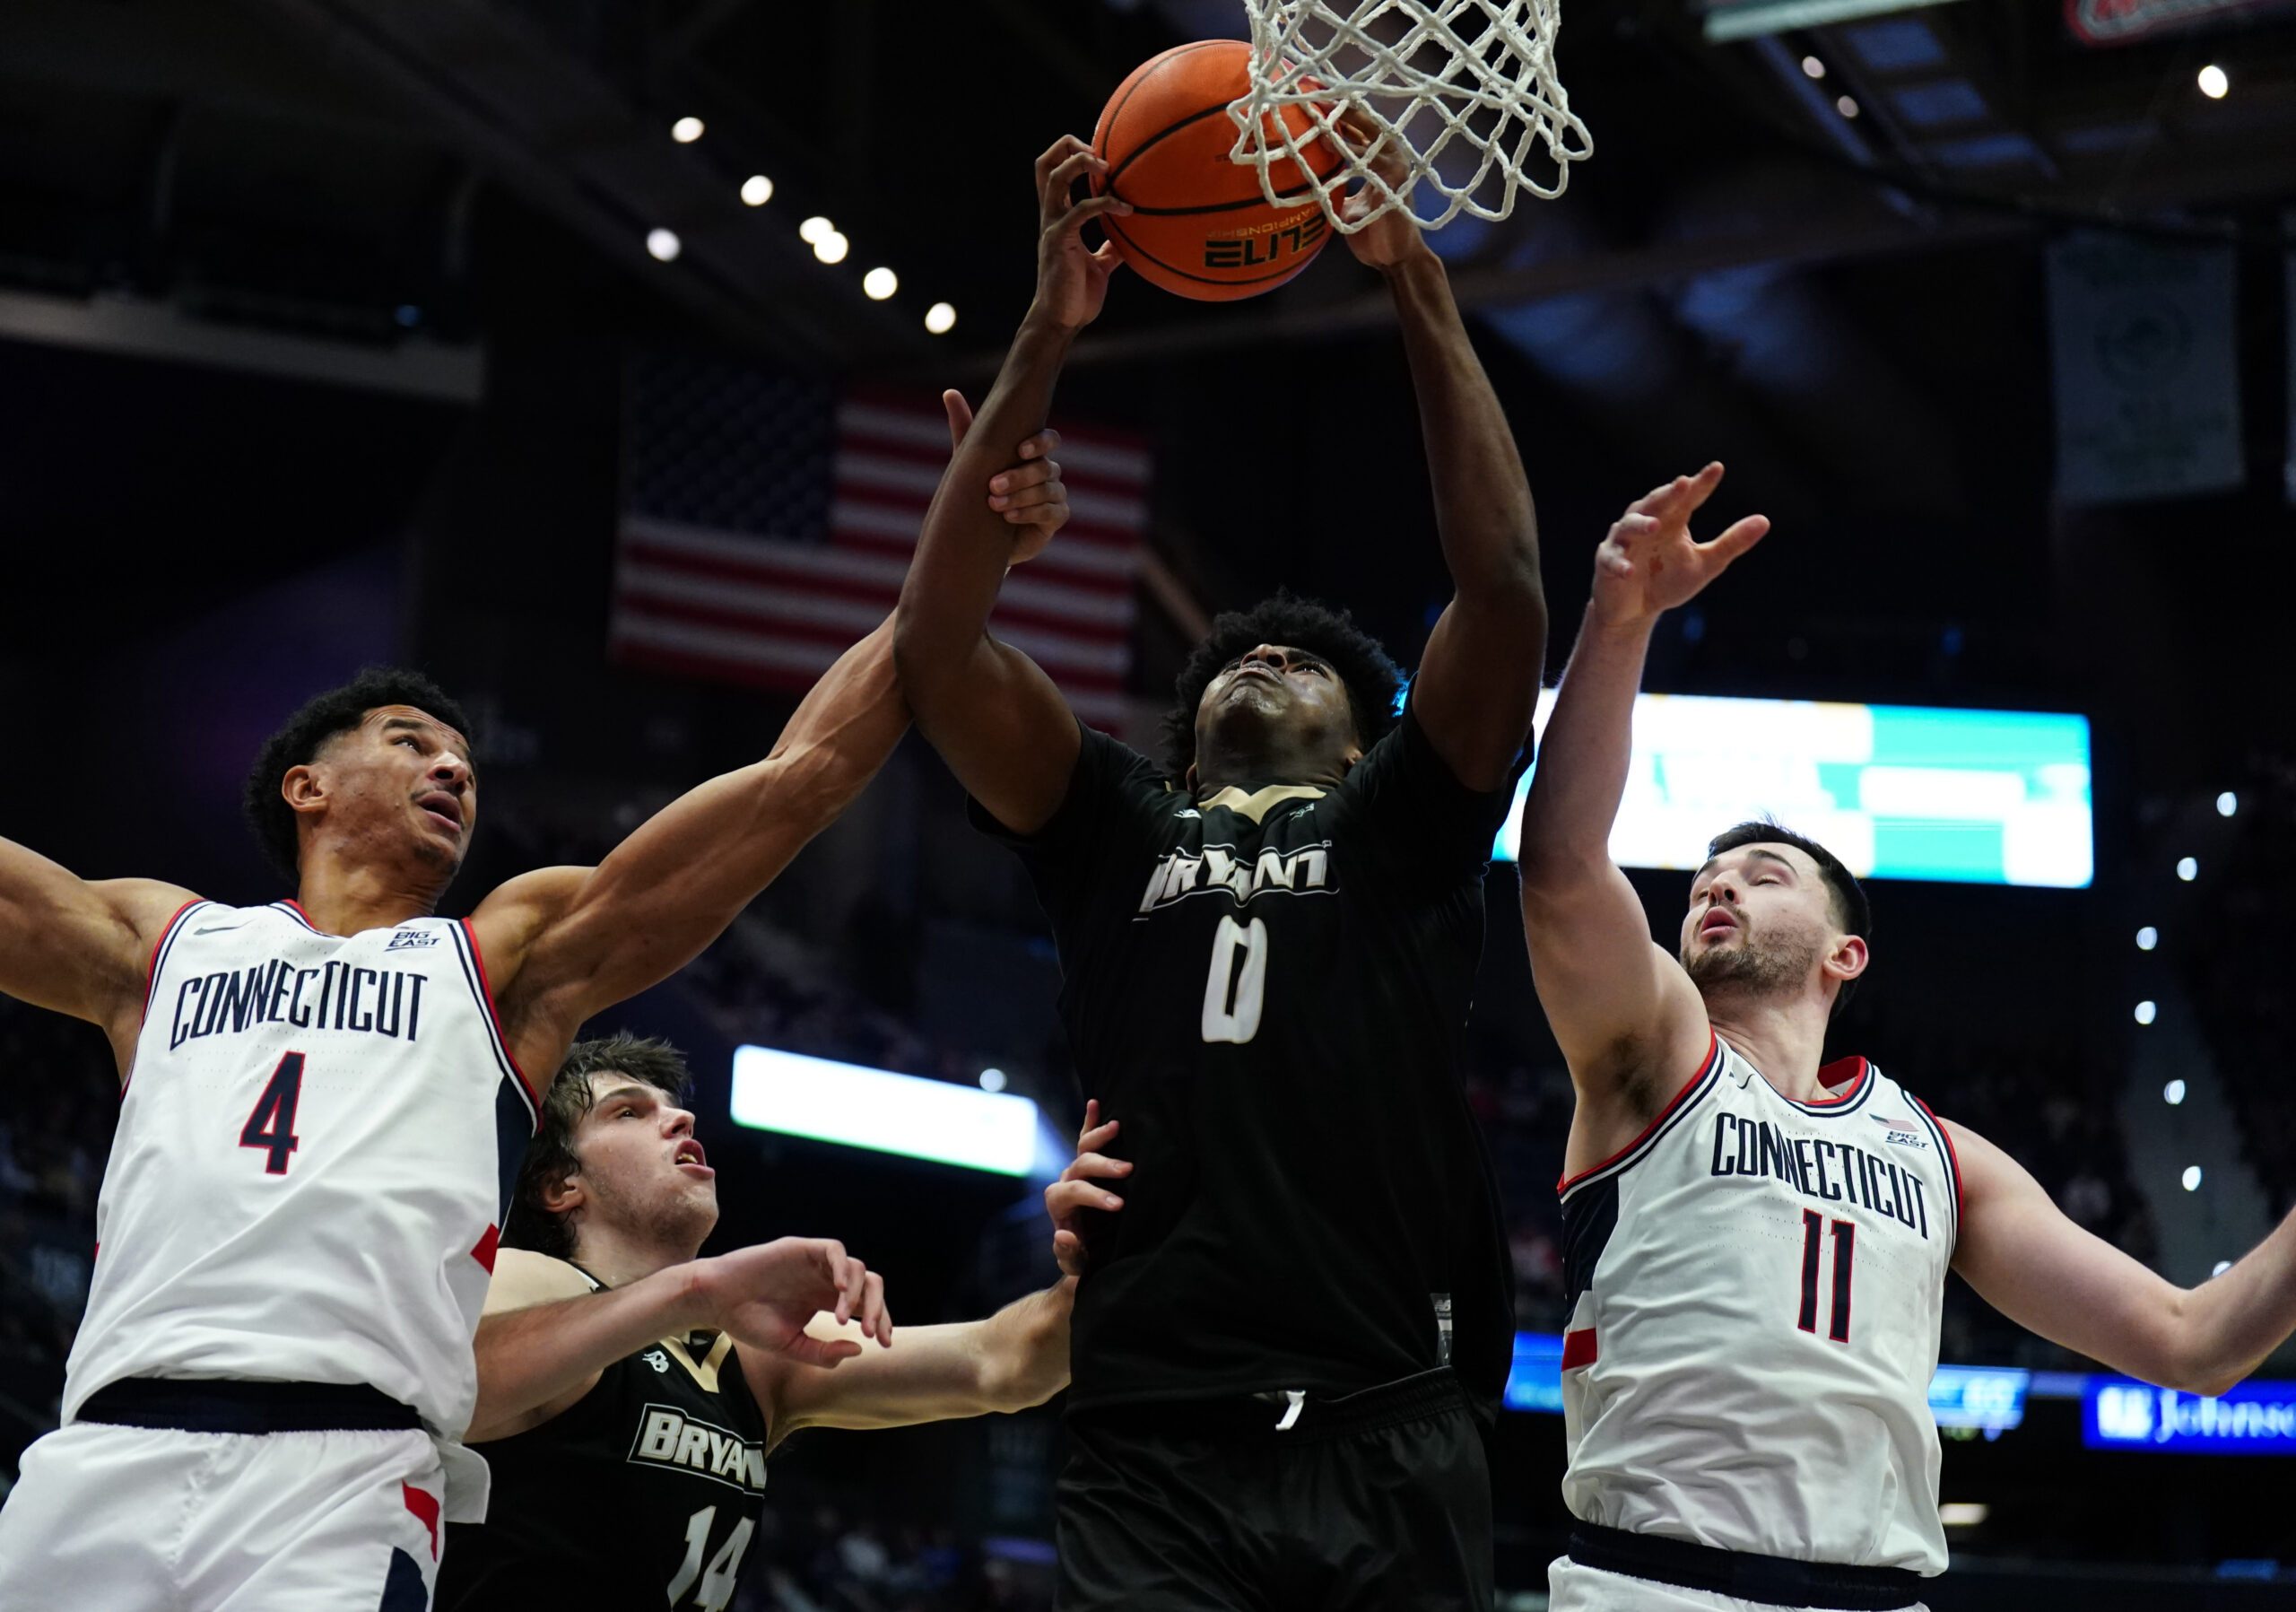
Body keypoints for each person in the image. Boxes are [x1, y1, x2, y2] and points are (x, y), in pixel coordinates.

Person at [0, 408, 1070, 1611]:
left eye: (464, 756)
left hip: (338, 1478)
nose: (453, 767)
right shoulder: (164, 940)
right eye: (411, 743)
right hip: (108, 1446)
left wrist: (955, 570)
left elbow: (800, 779)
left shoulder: (505, 962)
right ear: (307, 786)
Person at [892, 132, 1546, 1611]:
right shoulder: (1122, 826)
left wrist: (1415, 279)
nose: (1267, 652)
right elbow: (935, 651)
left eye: (1308, 662)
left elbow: (1502, 588)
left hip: (1383, 1405)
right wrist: (1046, 336)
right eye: (1240, 659)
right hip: (1151, 1436)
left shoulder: (1406, 826)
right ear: (1183, 752)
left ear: (1375, 739)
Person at [1518, 464, 2296, 1612]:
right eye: (1701, 886)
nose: (1715, 892)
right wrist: (1618, 619)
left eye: (1762, 876)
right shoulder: (1658, 1054)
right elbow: (1563, 867)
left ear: (1846, 953)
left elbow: (2194, 1343)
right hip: (1656, 1586)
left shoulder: (1942, 1155)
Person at [438, 1034, 1121, 1611]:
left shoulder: (749, 1363)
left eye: (676, 1108)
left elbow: (1000, 1363)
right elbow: (453, 1392)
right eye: (629, 1113)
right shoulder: (530, 1275)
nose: (679, 1121)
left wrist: (1107, 1253)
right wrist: (699, 1289)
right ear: (561, 1185)